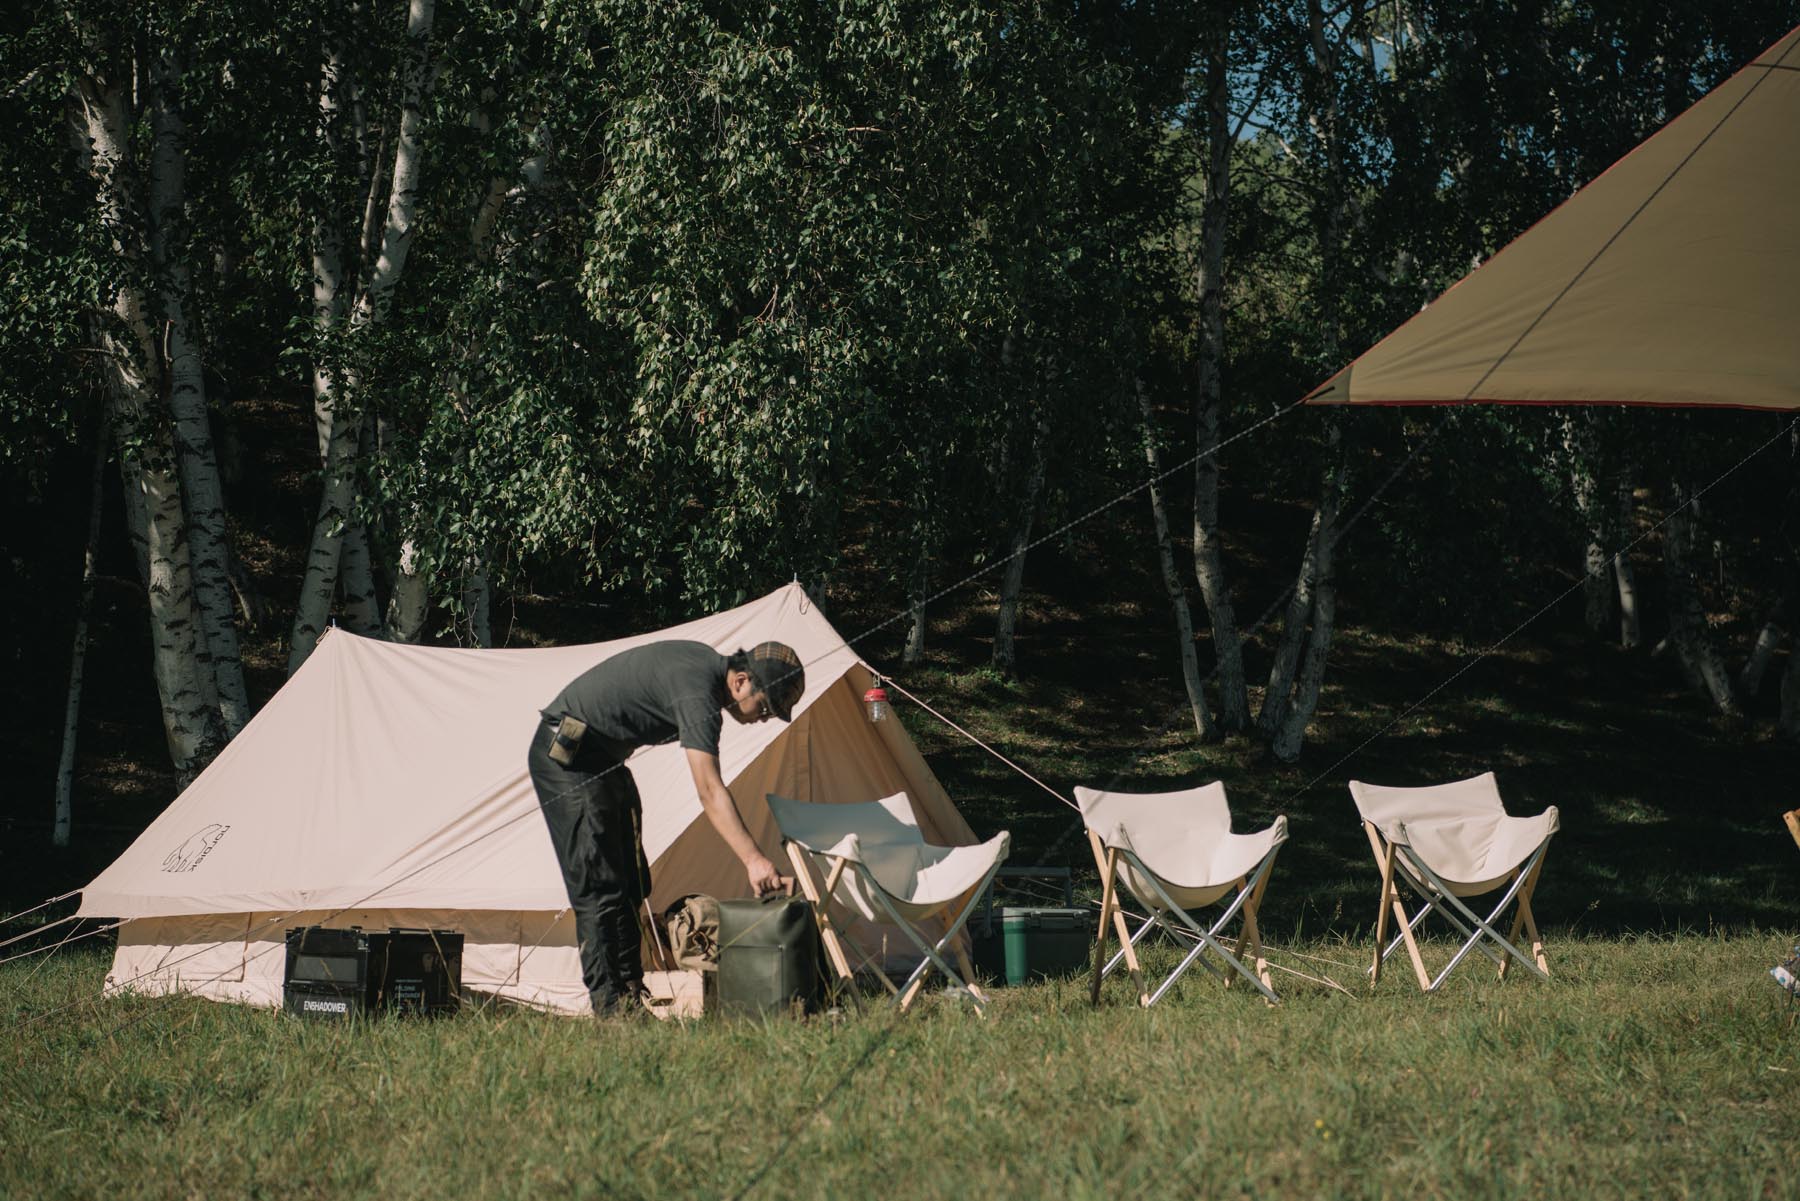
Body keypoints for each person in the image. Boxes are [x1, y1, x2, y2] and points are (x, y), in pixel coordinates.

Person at [527, 639, 805, 1015]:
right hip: (567, 758)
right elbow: (709, 789)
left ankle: (629, 996)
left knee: (631, 882)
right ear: (741, 681)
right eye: (767, 707)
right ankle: (611, 1011)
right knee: (599, 887)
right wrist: (754, 860)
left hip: (603, 761)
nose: (763, 719)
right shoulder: (699, 693)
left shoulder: (704, 672)